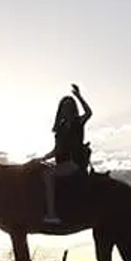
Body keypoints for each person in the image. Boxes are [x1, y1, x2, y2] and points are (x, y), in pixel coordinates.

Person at [37, 84, 93, 225]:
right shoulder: (60, 129)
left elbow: (89, 113)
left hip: (75, 162)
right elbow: (56, 150)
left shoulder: (78, 123)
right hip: (62, 163)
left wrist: (79, 96)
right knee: (40, 170)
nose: (66, 110)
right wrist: (42, 158)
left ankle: (51, 214)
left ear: (73, 109)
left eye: (69, 107)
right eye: (64, 107)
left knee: (48, 174)